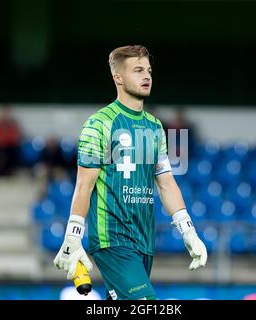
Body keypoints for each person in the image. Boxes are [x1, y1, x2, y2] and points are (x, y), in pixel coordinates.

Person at [53, 45, 207, 300]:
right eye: (138, 70)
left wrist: (188, 231)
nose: (147, 76)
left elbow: (166, 184)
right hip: (112, 239)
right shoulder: (98, 124)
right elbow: (84, 186)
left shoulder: (155, 126)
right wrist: (73, 237)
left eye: (148, 70)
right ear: (118, 78)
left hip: (144, 241)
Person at [0, 105, 21, 175]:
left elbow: (15, 138)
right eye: (3, 113)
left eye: (7, 113)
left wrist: (6, 138)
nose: (5, 115)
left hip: (10, 148)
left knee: (12, 151)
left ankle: (9, 172)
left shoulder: (13, 125)